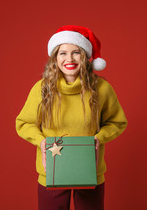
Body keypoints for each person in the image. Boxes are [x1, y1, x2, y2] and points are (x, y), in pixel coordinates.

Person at [16, 25, 128, 210]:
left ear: (85, 56)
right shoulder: (42, 89)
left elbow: (117, 122)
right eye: (63, 53)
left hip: (90, 170)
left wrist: (98, 139)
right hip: (51, 170)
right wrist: (41, 141)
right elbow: (24, 123)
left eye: (76, 52)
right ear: (55, 58)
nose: (69, 59)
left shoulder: (102, 89)